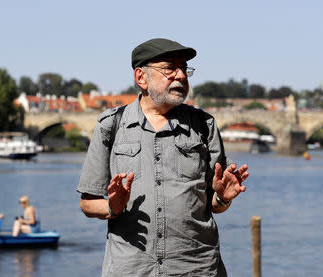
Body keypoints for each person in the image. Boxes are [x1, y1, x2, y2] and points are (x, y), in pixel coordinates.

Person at [77, 38, 249, 276]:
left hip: (196, 269)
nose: (180, 75)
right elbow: (87, 203)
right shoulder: (111, 126)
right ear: (141, 78)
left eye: (184, 68)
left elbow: (213, 205)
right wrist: (112, 207)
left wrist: (221, 197)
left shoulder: (204, 125)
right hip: (132, 270)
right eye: (170, 68)